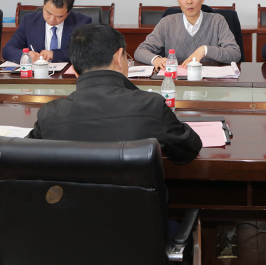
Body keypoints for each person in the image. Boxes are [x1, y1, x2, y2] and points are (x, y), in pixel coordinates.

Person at [28, 24, 202, 164]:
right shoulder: (151, 106)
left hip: (71, 199)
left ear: (74, 69)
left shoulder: (49, 115)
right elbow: (188, 149)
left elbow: (24, 157)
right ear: (119, 57)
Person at [134, 0, 241, 69]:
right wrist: (156, 60)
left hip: (209, 81)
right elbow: (140, 51)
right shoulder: (167, 23)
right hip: (176, 81)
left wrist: (205, 50)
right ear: (178, 0)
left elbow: (235, 54)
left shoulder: (217, 21)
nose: (189, 1)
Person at [2, 0, 92, 63]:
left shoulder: (82, 23)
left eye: (59, 16)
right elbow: (8, 50)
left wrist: (55, 55)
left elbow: (86, 53)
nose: (52, 20)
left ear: (68, 13)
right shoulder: (29, 21)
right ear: (43, 5)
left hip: (67, 75)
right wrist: (25, 56)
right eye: (48, 13)